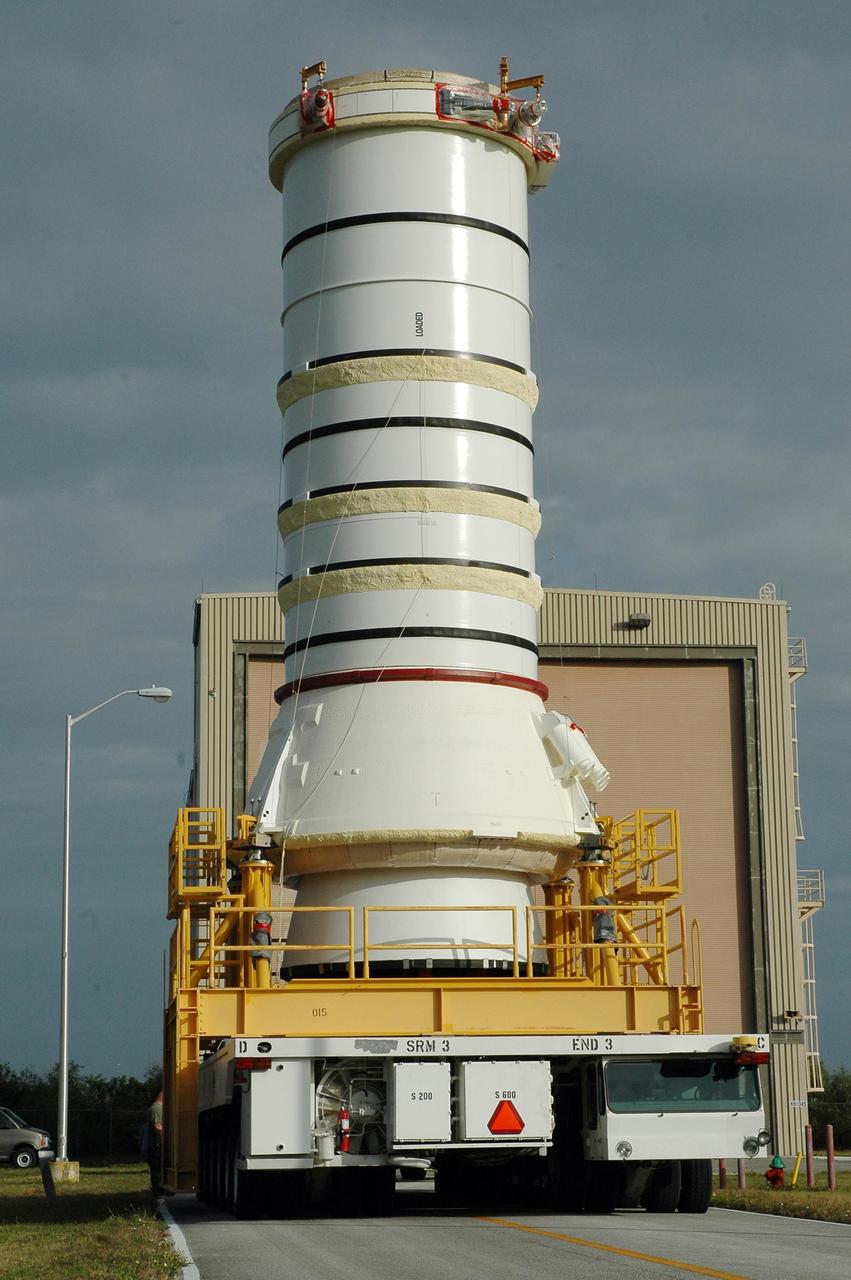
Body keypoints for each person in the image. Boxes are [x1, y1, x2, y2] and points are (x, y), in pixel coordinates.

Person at [144, 1090, 164, 1196]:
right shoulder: (157, 1108)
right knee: (156, 1169)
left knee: (156, 1169)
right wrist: (162, 1143)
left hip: (153, 1145)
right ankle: (157, 1191)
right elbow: (158, 1127)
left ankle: (158, 1189)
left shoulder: (155, 1108)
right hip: (155, 1146)